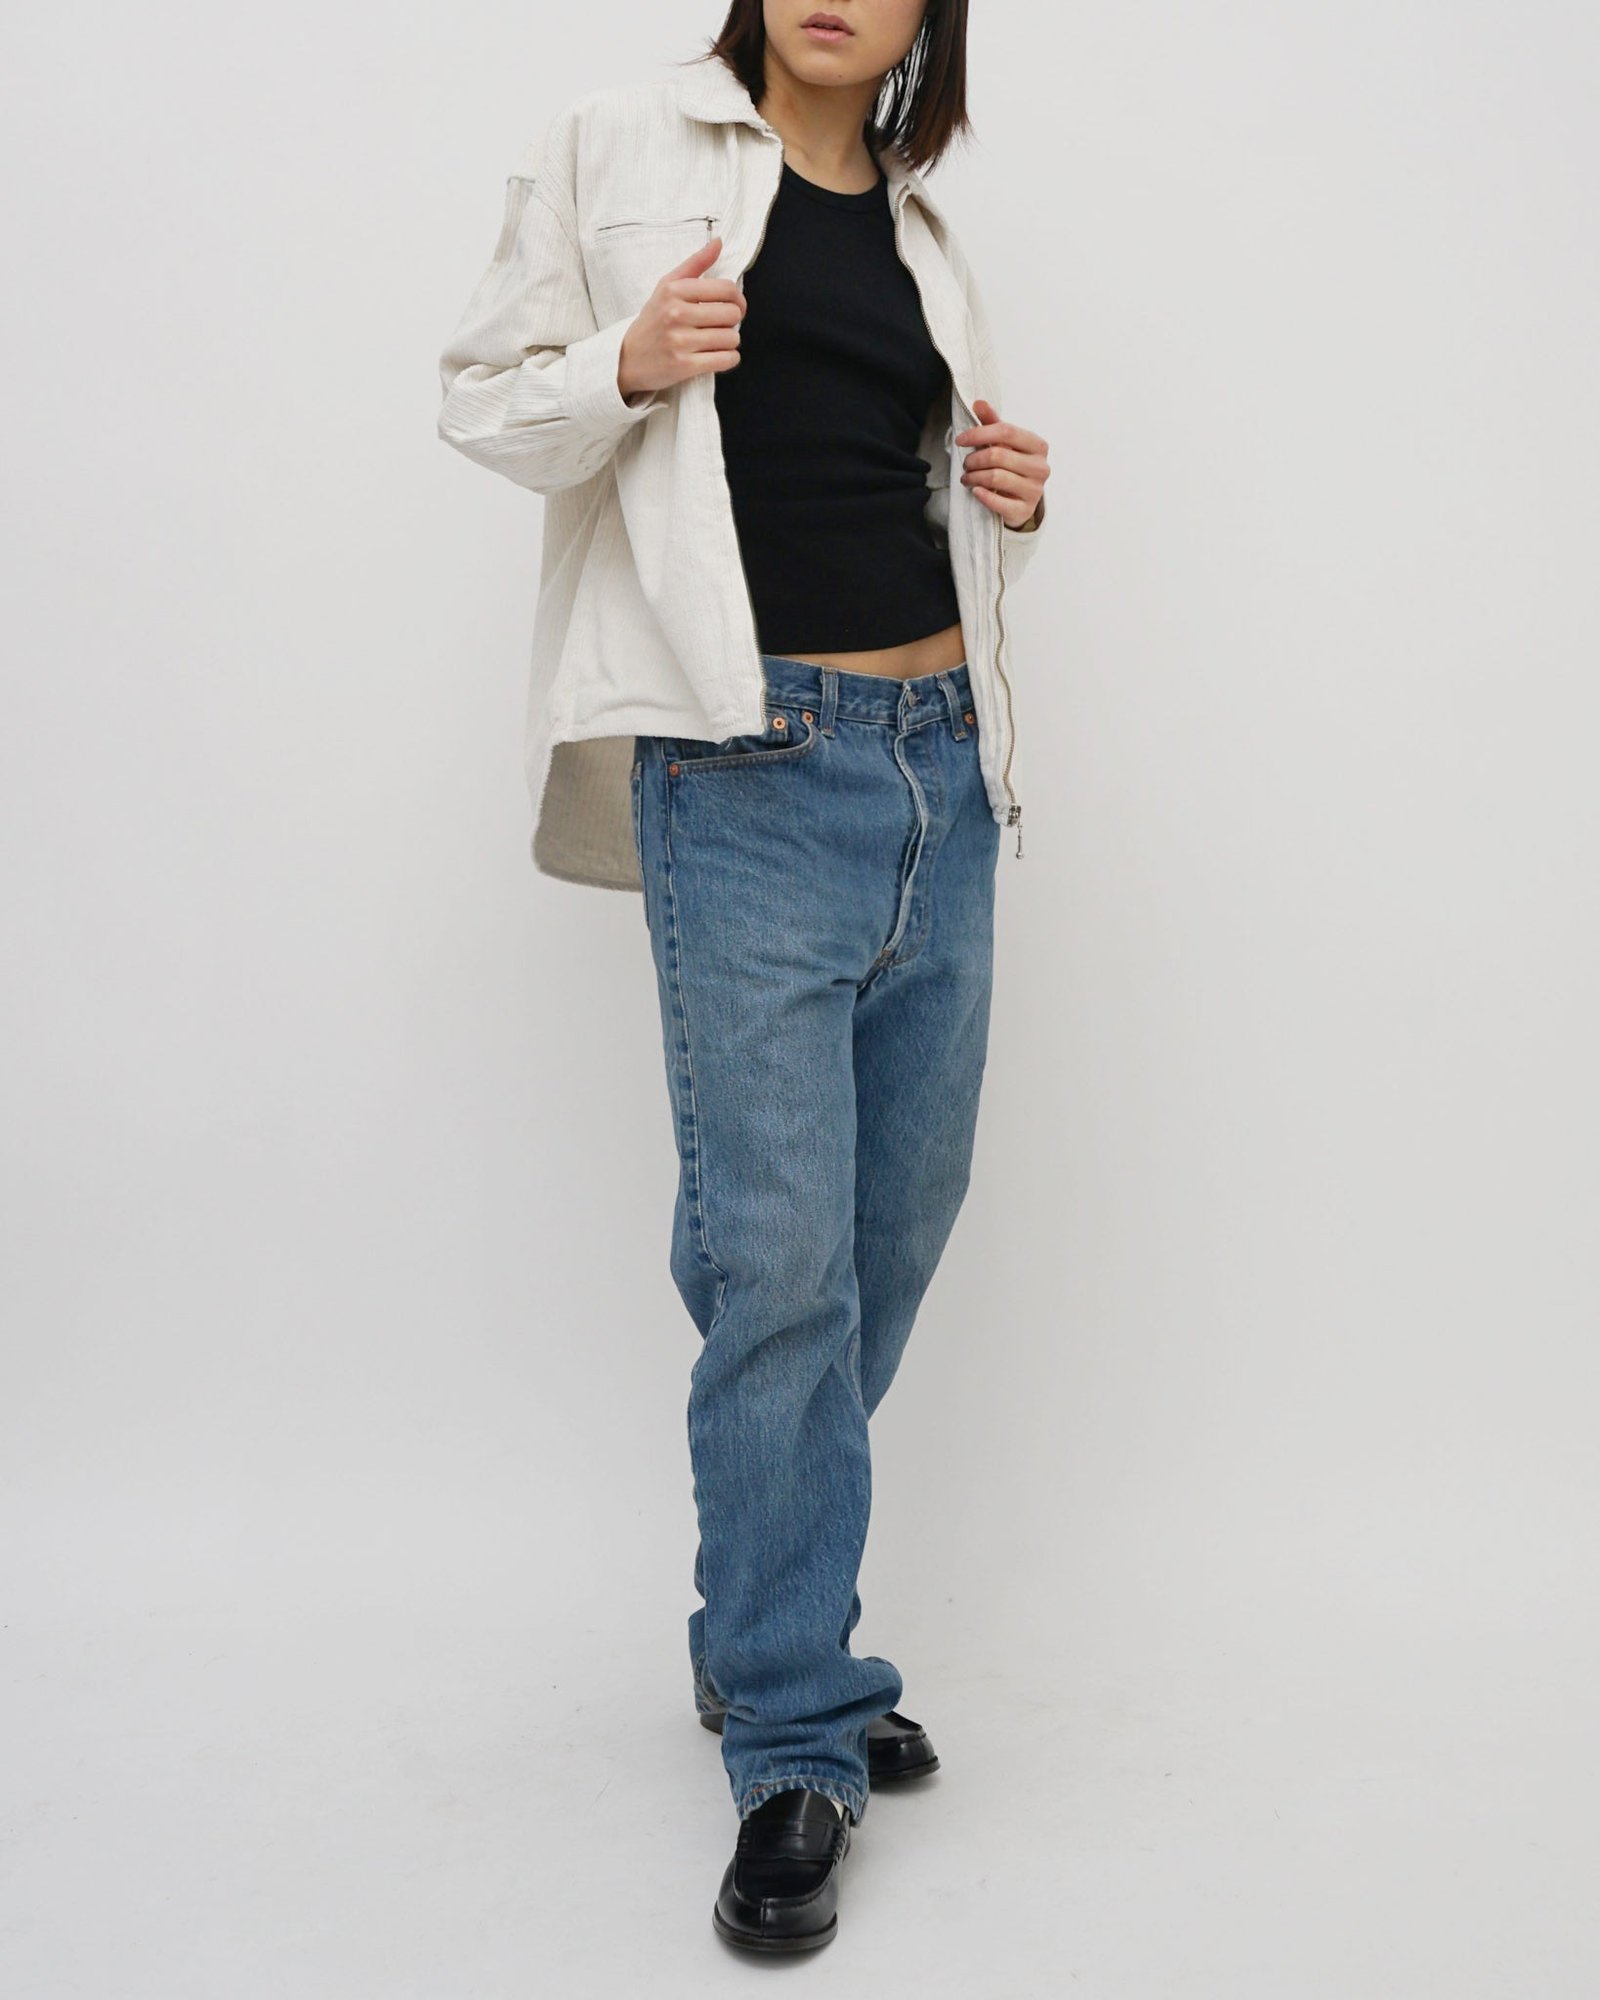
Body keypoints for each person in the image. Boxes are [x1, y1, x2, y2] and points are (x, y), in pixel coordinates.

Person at [436, 0, 1050, 1954]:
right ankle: (794, 1723)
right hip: (745, 765)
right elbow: (482, 399)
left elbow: (888, 494)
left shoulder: (926, 231)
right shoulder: (621, 142)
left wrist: (1007, 507)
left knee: (886, 1227)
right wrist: (622, 362)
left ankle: (753, 1615)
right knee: (779, 1259)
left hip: (941, 766)